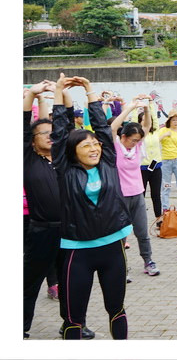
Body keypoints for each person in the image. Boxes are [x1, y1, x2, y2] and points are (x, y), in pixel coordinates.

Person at [51, 74, 132, 339]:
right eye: (86, 146)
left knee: (116, 309)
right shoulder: (65, 169)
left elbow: (102, 128)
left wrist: (89, 91)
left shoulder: (108, 161)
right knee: (75, 319)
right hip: (78, 251)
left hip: (113, 248)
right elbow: (60, 134)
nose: (94, 148)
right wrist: (60, 93)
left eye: (95, 144)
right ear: (74, 152)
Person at [24, 80, 98, 339]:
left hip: (71, 230)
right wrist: (33, 95)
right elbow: (23, 125)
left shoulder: (65, 158)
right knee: (29, 282)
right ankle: (20, 327)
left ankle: (73, 324)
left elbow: (65, 123)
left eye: (51, 131)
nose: (49, 135)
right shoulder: (28, 158)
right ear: (32, 141)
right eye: (42, 133)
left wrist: (64, 93)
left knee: (72, 282)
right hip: (41, 231)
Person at [111, 96, 161, 279]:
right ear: (123, 137)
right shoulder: (116, 147)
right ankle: (120, 268)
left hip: (137, 195)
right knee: (121, 235)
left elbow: (146, 126)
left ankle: (148, 262)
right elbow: (112, 128)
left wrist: (146, 108)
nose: (135, 142)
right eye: (132, 140)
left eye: (138, 140)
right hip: (120, 197)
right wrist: (129, 108)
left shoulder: (138, 147)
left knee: (142, 232)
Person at [159, 109, 177, 213]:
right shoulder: (163, 130)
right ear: (169, 120)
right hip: (166, 160)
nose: (176, 122)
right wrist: (164, 135)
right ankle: (165, 207)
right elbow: (156, 140)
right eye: (173, 120)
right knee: (166, 185)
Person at [138, 105, 163, 219]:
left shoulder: (156, 132)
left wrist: (151, 102)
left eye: (148, 120)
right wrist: (135, 105)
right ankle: (139, 219)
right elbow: (134, 119)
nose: (147, 121)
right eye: (143, 120)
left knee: (156, 195)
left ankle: (159, 219)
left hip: (156, 167)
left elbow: (154, 119)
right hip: (142, 168)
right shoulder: (138, 135)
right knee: (140, 195)